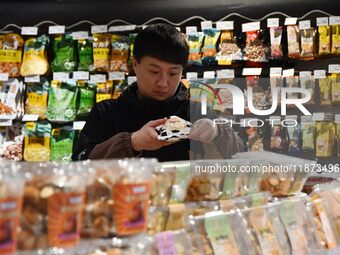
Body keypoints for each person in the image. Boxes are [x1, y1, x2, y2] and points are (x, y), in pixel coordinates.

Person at [72, 23, 243, 162]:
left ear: (182, 71)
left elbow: (241, 157)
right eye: (154, 72)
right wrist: (132, 143)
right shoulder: (107, 113)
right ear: (135, 65)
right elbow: (80, 163)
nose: (163, 83)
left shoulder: (197, 112)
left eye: (173, 73)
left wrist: (219, 133)